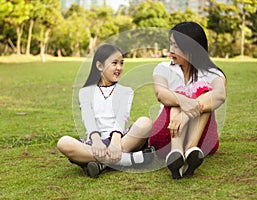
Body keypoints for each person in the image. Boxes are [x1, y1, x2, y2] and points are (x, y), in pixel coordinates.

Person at [57, 44, 153, 178]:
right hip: (94, 143)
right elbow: (88, 118)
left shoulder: (126, 91)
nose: (119, 68)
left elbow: (122, 117)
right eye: (114, 63)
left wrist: (115, 142)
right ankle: (128, 160)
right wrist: (96, 140)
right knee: (63, 142)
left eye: (121, 63)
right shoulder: (85, 92)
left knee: (146, 122)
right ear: (100, 66)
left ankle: (100, 163)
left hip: (120, 141)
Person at [149, 22, 226, 179]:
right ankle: (176, 151)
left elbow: (220, 95)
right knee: (179, 94)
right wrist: (183, 101)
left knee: (204, 91)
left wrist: (185, 114)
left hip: (203, 141)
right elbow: (161, 94)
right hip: (167, 134)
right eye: (171, 44)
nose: (171, 51)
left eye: (177, 46)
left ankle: (191, 149)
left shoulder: (212, 73)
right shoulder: (163, 68)